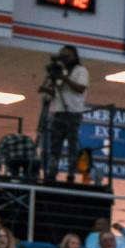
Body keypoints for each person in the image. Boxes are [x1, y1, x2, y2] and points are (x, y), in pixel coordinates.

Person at [40, 45, 89, 182]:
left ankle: (71, 174)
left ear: (74, 56)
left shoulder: (81, 70)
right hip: (58, 112)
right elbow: (57, 92)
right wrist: (47, 89)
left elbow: (80, 88)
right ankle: (52, 172)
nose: (64, 59)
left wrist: (64, 78)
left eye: (67, 56)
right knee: (55, 145)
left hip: (72, 112)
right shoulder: (62, 71)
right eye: (62, 56)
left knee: (72, 145)